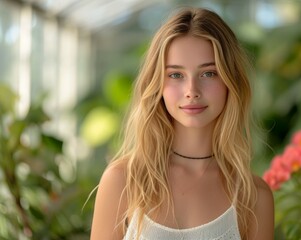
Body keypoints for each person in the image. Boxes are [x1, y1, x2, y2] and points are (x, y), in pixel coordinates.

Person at [90, 7, 274, 240]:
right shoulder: (123, 181)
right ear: (157, 84)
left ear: (231, 81)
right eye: (176, 75)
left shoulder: (254, 198)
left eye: (208, 73)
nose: (192, 91)